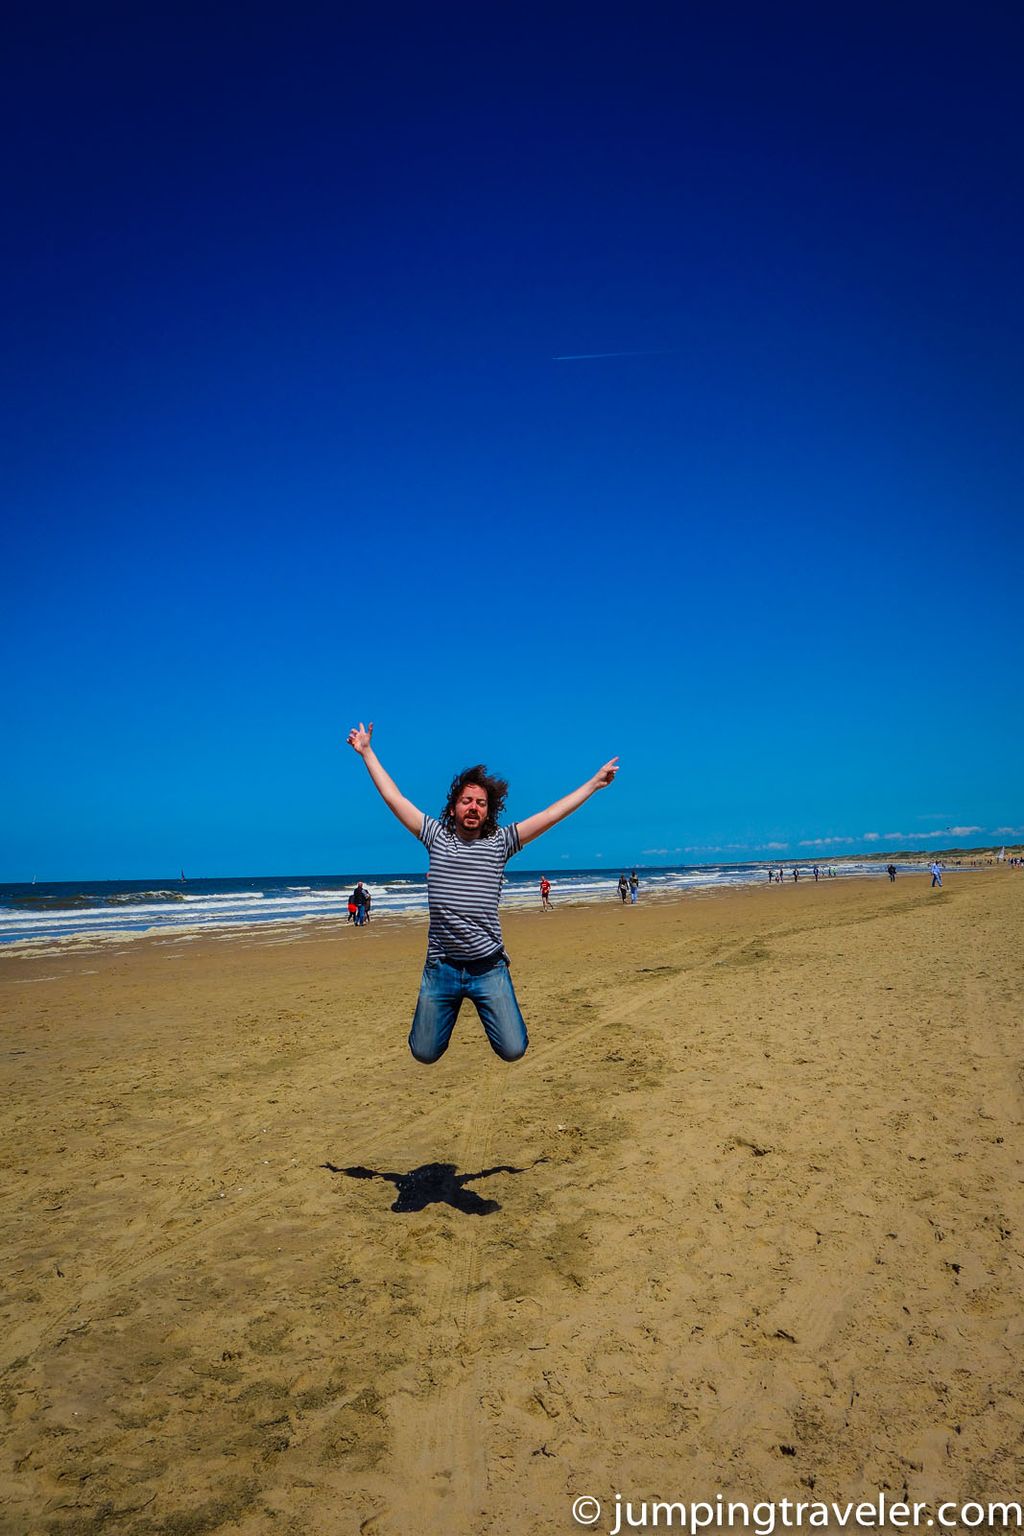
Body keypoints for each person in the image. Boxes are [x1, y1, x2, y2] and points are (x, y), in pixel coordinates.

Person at [346, 721, 618, 1062]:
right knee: (424, 1053)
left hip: (488, 967)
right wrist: (367, 752)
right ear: (453, 808)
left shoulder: (500, 843)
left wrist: (593, 784)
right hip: (442, 966)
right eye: (466, 801)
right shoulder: (436, 837)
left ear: (489, 811)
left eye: (480, 803)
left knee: (513, 1050)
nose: (473, 807)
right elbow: (394, 798)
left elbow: (550, 815)